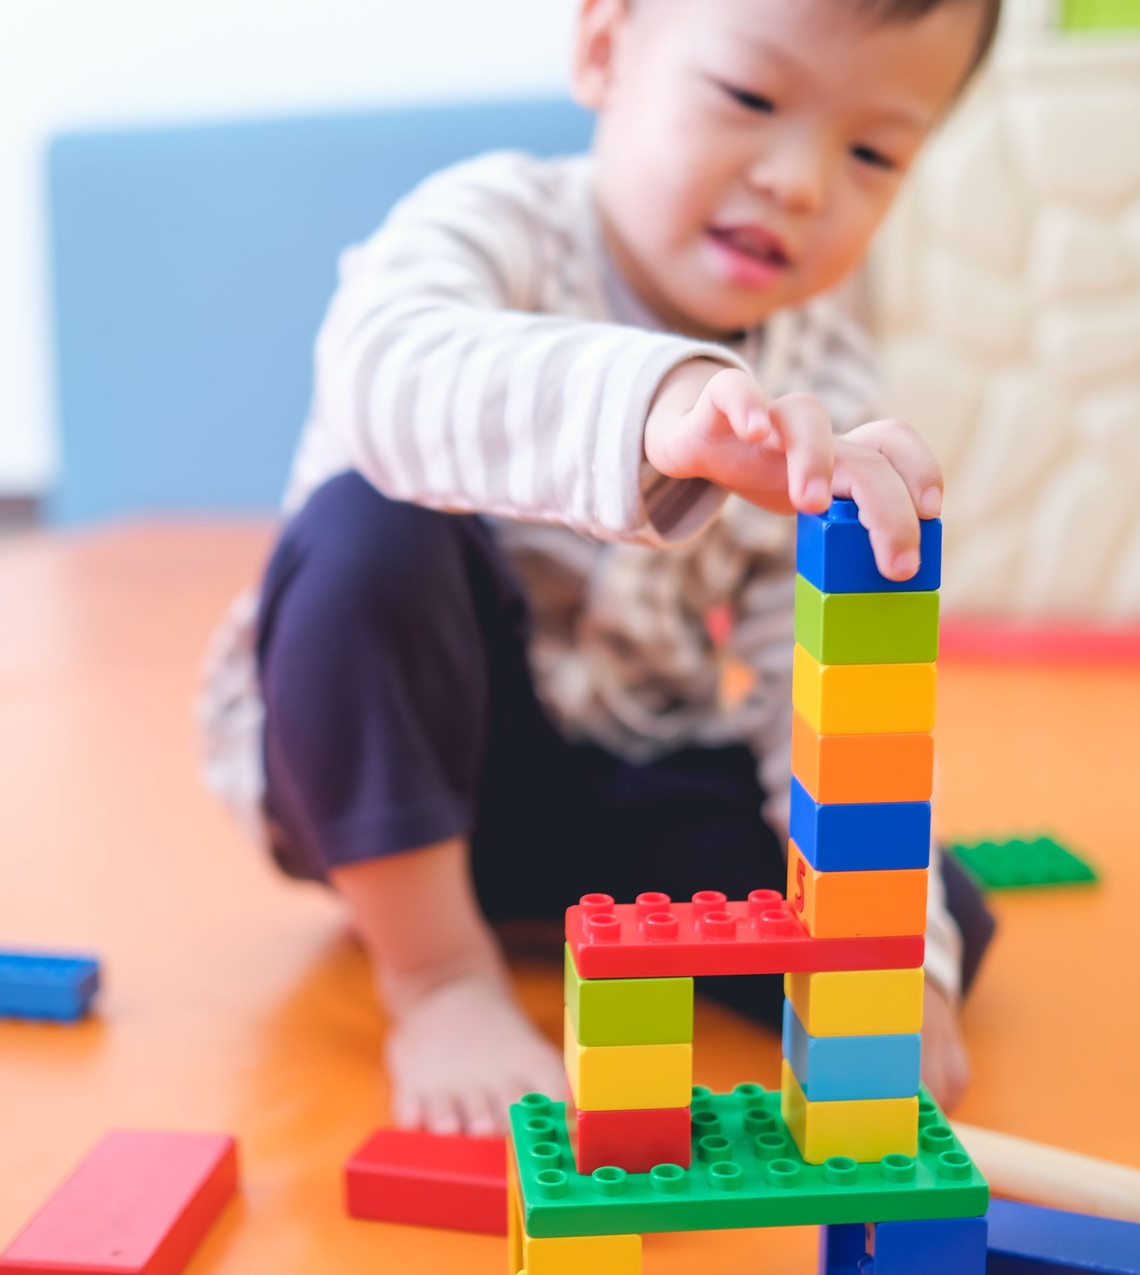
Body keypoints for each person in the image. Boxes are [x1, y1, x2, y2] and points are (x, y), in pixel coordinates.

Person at [199, 0, 1003, 1138]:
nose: (800, 181)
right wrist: (658, 404)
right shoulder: (499, 220)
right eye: (751, 98)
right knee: (366, 530)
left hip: (615, 767)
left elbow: (802, 693)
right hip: (388, 761)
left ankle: (569, 913)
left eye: (871, 153)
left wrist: (892, 970)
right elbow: (380, 371)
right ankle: (435, 971)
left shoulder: (824, 364)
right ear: (604, 49)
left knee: (938, 908)